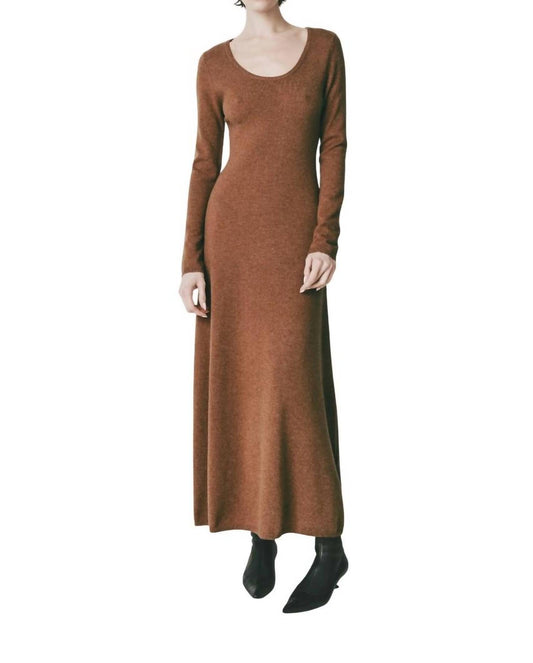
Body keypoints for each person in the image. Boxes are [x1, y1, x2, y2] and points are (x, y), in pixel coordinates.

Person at [179, 0, 349, 613]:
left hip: (295, 242)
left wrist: (324, 239)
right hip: (230, 242)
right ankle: (262, 532)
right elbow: (206, 161)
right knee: (247, 385)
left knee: (294, 384)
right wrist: (191, 259)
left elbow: (334, 145)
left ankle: (330, 547)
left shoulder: (324, 47)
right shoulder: (213, 64)